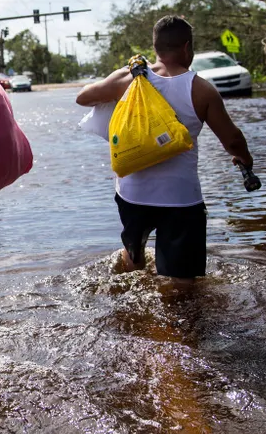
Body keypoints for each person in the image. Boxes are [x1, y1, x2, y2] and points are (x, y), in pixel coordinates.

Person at [75, 15, 254, 285]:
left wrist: (119, 81)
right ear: (186, 48)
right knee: (182, 282)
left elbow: (83, 97)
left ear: (156, 47)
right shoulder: (202, 90)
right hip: (181, 198)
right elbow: (232, 140)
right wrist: (244, 159)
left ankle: (130, 301)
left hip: (132, 193)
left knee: (133, 258)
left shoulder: (132, 77)